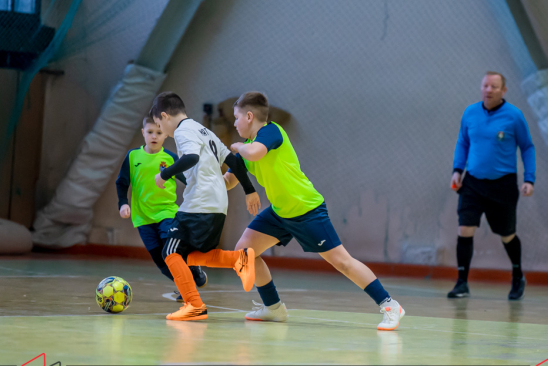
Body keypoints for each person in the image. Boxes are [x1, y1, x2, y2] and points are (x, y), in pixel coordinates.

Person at [223, 91, 405, 331]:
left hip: (307, 209)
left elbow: (255, 152)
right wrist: (203, 175)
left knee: (342, 262)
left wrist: (236, 147)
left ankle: (390, 305)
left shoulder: (270, 132)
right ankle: (273, 307)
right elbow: (229, 181)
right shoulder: (245, 149)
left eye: (236, 118)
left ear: (249, 117)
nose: (234, 124)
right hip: (280, 213)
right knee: (244, 251)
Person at [151, 91, 259, 321]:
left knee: (170, 252)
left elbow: (191, 158)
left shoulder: (183, 131)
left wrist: (164, 175)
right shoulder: (203, 130)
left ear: (165, 116)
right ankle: (238, 259)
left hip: (199, 204)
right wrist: (249, 190)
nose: (163, 132)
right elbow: (233, 162)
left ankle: (194, 305)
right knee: (193, 255)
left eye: (159, 125)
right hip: (217, 205)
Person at [449, 71, 536, 301]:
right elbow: (463, 142)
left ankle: (517, 276)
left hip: (502, 185)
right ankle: (462, 282)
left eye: (494, 86)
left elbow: (527, 147)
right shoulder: (470, 113)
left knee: (507, 235)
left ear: (503, 91)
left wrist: (529, 179)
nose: (489, 90)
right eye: (485, 85)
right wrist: (457, 170)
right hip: (473, 182)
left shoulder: (514, 116)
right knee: (465, 229)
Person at [116, 113, 207, 302]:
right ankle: (185, 283)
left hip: (167, 213)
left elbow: (189, 180)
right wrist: (123, 203)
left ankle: (193, 268)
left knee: (170, 251)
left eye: (159, 132)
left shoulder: (170, 158)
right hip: (143, 218)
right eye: (150, 132)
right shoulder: (133, 156)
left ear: (166, 134)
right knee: (161, 262)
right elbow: (122, 182)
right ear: (143, 132)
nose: (154, 136)